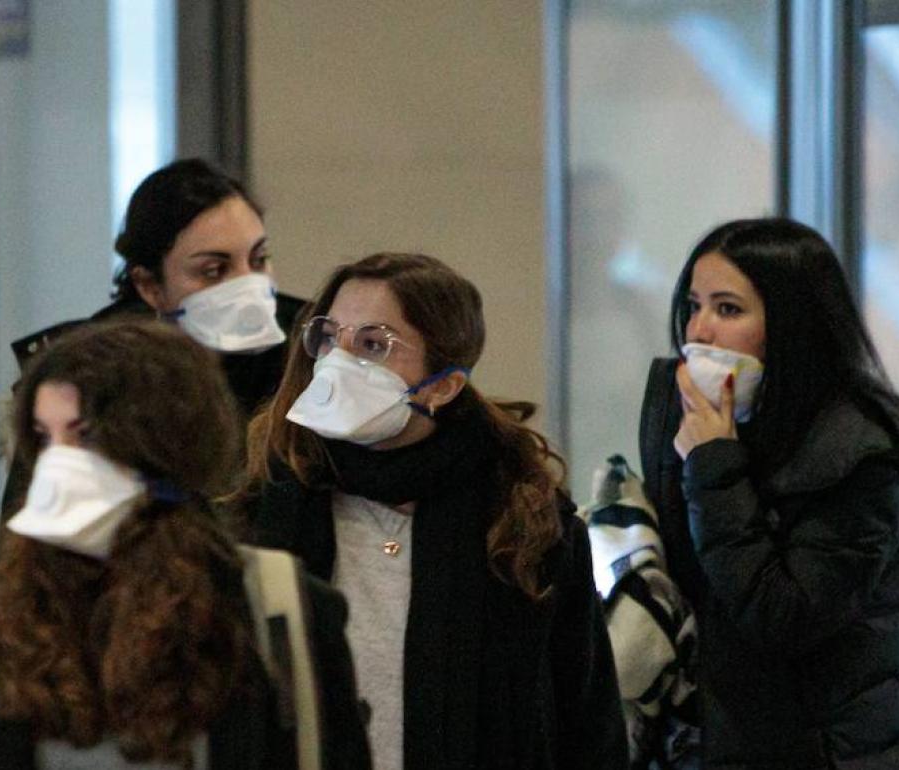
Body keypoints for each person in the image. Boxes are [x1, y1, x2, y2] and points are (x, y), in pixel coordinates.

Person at [241, 253, 628, 770]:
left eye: (374, 345)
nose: (337, 363)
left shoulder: (523, 523)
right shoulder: (267, 499)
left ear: (443, 385)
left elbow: (590, 726)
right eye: (329, 338)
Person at [0, 321, 371, 770]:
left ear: (165, 447)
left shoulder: (274, 605)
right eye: (45, 438)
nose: (57, 464)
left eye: (85, 435)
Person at [637, 218, 899, 768]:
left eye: (728, 310)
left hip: (820, 752)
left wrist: (713, 465)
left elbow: (783, 618)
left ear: (791, 324)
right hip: (707, 742)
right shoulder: (684, 416)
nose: (699, 332)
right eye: (693, 307)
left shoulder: (857, 454)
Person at [1, 158, 305, 517]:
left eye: (259, 259)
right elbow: (30, 530)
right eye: (213, 270)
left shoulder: (307, 351)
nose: (247, 286)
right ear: (149, 286)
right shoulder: (87, 378)